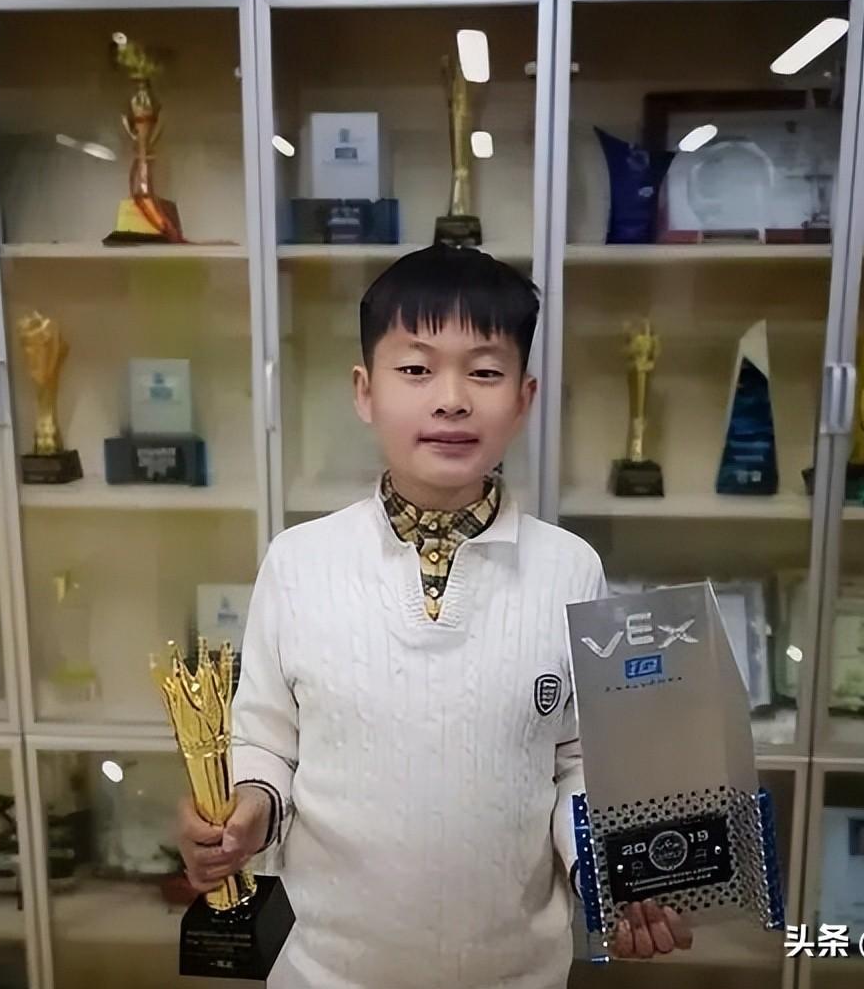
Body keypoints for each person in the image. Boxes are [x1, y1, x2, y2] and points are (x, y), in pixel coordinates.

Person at [177, 243, 692, 988]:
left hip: (518, 975)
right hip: (328, 974)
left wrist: (608, 871)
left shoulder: (570, 569)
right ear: (365, 391)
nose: (451, 399)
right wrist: (247, 810)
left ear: (524, 397)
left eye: (484, 372)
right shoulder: (298, 562)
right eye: (416, 370)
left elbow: (579, 761)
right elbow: (264, 743)